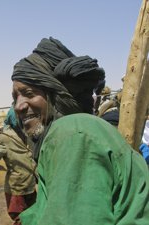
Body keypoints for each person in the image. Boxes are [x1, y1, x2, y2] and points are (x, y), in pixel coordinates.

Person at [10, 37, 149, 224]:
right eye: (15, 97)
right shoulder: (74, 131)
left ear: (57, 94)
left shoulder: (73, 133)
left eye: (29, 93)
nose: (18, 106)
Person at [0, 106, 37, 225]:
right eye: (22, 116)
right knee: (19, 220)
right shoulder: (5, 137)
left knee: (33, 217)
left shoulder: (29, 134)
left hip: (31, 187)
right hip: (16, 190)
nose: (26, 119)